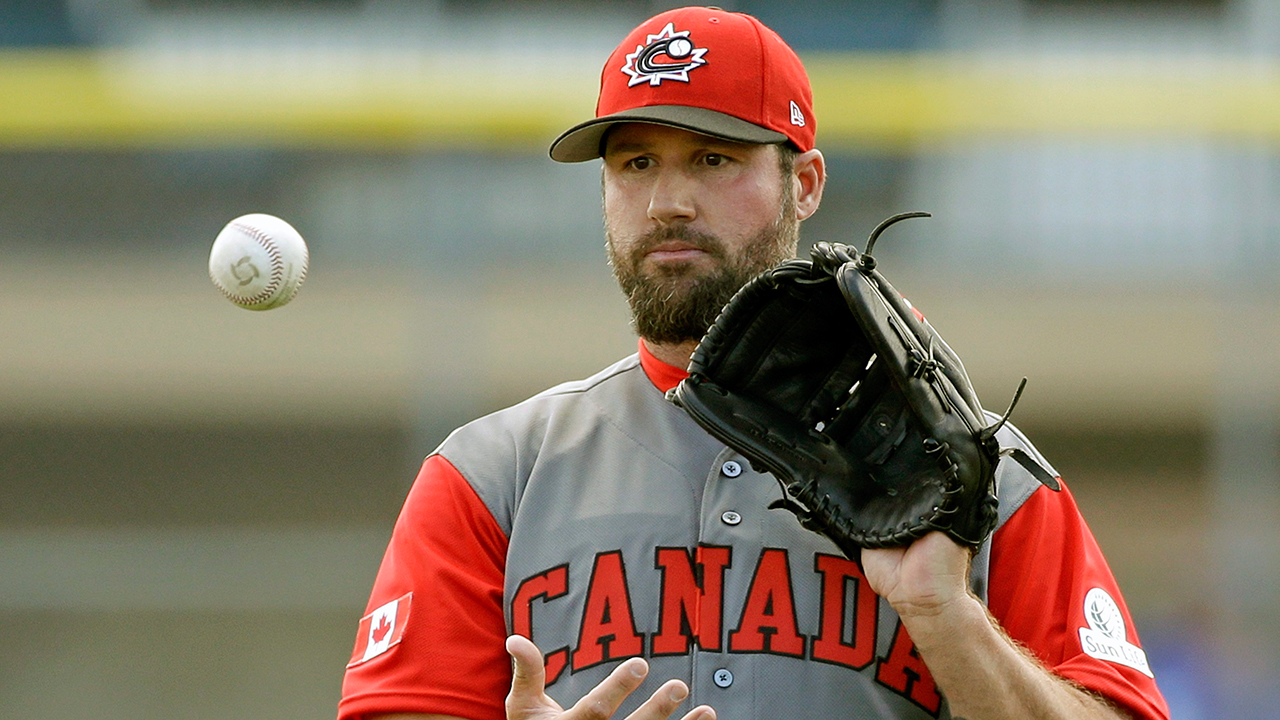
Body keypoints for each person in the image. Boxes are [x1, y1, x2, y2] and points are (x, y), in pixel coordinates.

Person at [337, 7, 1170, 720]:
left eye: (713, 158)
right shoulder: (494, 475)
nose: (667, 201)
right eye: (635, 163)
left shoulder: (980, 476)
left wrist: (944, 613)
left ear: (804, 183)